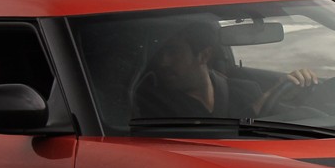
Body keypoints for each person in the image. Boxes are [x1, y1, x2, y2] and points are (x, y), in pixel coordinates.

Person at [132, 19, 314, 118]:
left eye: (173, 52)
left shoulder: (245, 91)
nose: (163, 62)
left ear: (204, 55)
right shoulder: (150, 104)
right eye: (160, 53)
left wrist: (298, 91)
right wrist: (257, 107)